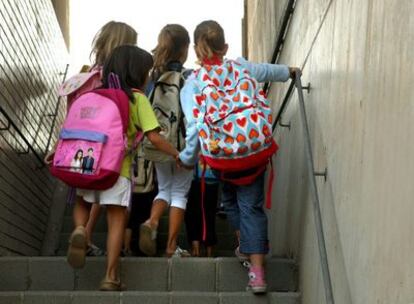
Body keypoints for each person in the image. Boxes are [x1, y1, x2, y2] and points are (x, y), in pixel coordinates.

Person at [177, 20, 296, 294]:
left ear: (196, 49)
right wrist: (288, 72)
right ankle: (256, 270)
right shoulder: (240, 66)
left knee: (230, 199)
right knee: (250, 206)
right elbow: (266, 71)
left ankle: (247, 247)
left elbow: (194, 127)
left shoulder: (192, 84)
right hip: (253, 150)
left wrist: (187, 157)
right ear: (226, 47)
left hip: (222, 157)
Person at [68, 45, 180, 291]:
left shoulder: (92, 95)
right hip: (117, 170)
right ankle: (110, 276)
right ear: (137, 73)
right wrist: (176, 154)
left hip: (85, 164)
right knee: (116, 221)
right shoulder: (137, 98)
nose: (148, 76)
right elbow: (155, 138)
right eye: (147, 72)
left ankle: (79, 229)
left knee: (82, 202)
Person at [45, 21, 138, 257]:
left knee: (82, 193)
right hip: (107, 149)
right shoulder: (120, 83)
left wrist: (59, 147)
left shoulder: (82, 79)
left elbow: (70, 118)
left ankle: (80, 230)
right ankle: (87, 236)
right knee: (102, 187)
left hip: (77, 148)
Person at [139, 24, 194, 258]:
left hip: (158, 143)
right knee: (180, 193)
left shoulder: (152, 77)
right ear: (185, 49)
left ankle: (151, 221)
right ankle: (171, 247)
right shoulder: (189, 77)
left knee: (164, 189)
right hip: (182, 144)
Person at [184, 159, 219, 257]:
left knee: (192, 213)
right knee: (209, 214)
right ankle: (209, 251)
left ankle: (196, 249)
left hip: (196, 177)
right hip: (213, 176)